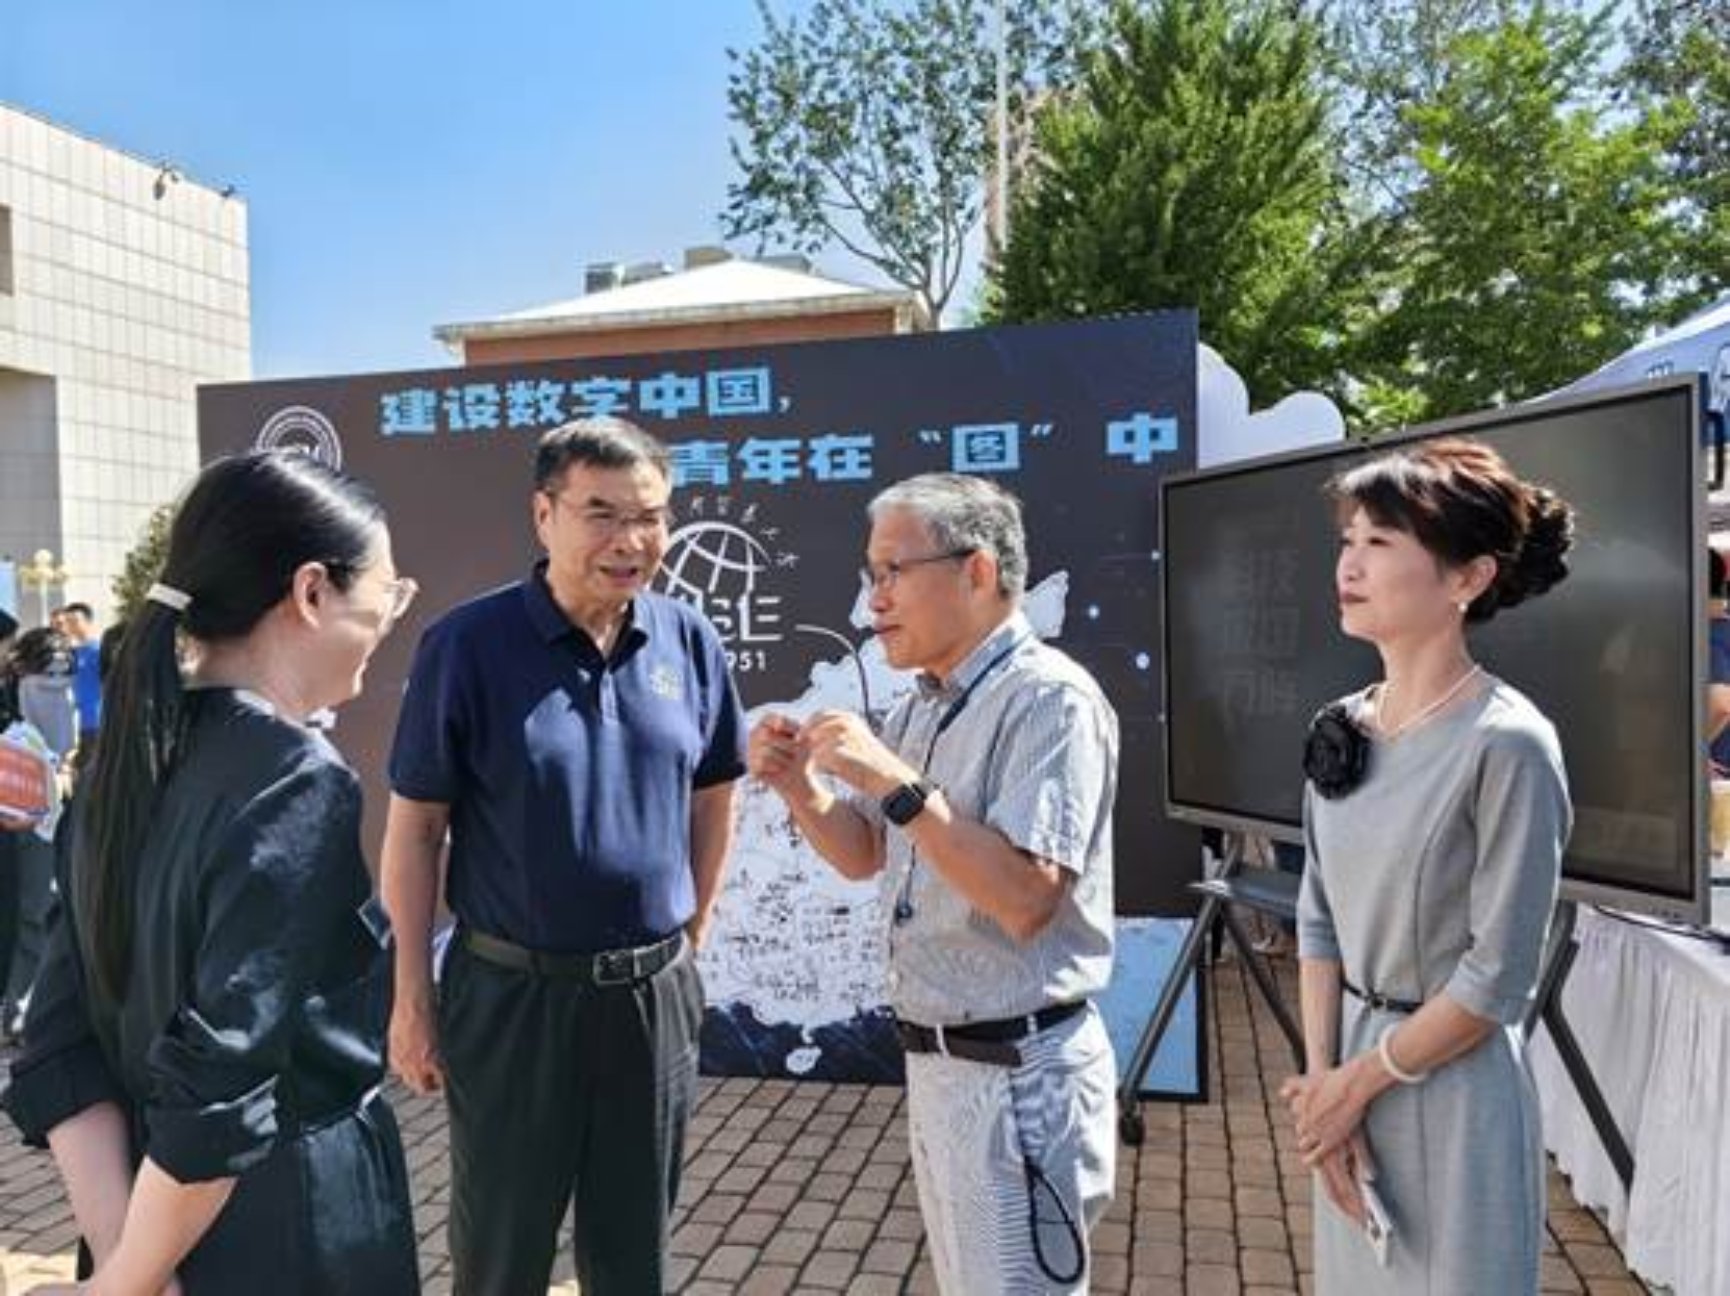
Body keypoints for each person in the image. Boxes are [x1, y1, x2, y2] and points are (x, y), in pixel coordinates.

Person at [5, 451, 422, 1294]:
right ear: (312, 592)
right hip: (289, 1226)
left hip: (141, 1213)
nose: (389, 616)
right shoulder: (295, 777)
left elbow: (60, 1041)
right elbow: (224, 1074)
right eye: (389, 591)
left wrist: (124, 1262)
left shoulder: (123, 765)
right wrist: (127, 1281)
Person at [383, 415, 746, 1296]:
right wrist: (412, 998)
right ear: (544, 515)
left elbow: (714, 797)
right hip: (514, 999)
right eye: (602, 514)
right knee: (501, 1254)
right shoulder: (467, 645)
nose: (631, 540)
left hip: (649, 1001)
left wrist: (690, 938)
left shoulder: (688, 639)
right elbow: (416, 829)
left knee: (634, 1255)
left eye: (650, 517)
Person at [747, 473, 1119, 1295]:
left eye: (892, 571)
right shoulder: (925, 703)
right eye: (869, 574)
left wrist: (894, 783)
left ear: (977, 570)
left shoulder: (1048, 700)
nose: (871, 600)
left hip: (1018, 1071)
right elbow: (865, 854)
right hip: (945, 1068)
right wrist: (798, 786)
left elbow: (1025, 899)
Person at [1279, 437, 1574, 1294]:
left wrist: (1359, 1083)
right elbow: (1318, 919)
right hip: (1350, 1080)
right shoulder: (1342, 723)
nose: (1350, 563)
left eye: (1380, 541)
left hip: (1451, 1090)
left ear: (1468, 578)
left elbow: (1497, 977)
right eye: (1349, 540)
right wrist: (1326, 1085)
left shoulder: (1508, 743)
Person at [1, 627, 78, 1037]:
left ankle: (21, 1008)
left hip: (39, 809)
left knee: (36, 909)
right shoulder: (17, 694)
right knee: (33, 910)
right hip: (25, 811)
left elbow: (61, 745)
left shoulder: (33, 692)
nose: (56, 682)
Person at [58, 601, 104, 748]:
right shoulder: (71, 653)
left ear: (88, 622)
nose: (71, 626)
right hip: (80, 723)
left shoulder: (100, 651)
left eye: (75, 621)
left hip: (99, 721)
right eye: (68, 622)